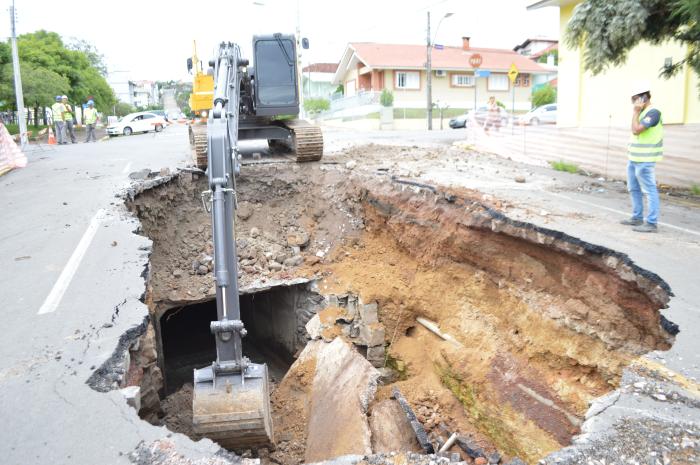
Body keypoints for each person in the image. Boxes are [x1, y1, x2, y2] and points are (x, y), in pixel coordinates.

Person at [621, 82, 663, 233]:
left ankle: (651, 223)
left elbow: (636, 130)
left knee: (649, 189)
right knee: (633, 188)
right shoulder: (643, 113)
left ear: (644, 97)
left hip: (645, 160)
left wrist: (635, 112)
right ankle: (637, 217)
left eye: (635, 99)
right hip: (633, 159)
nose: (633, 103)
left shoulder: (653, 113)